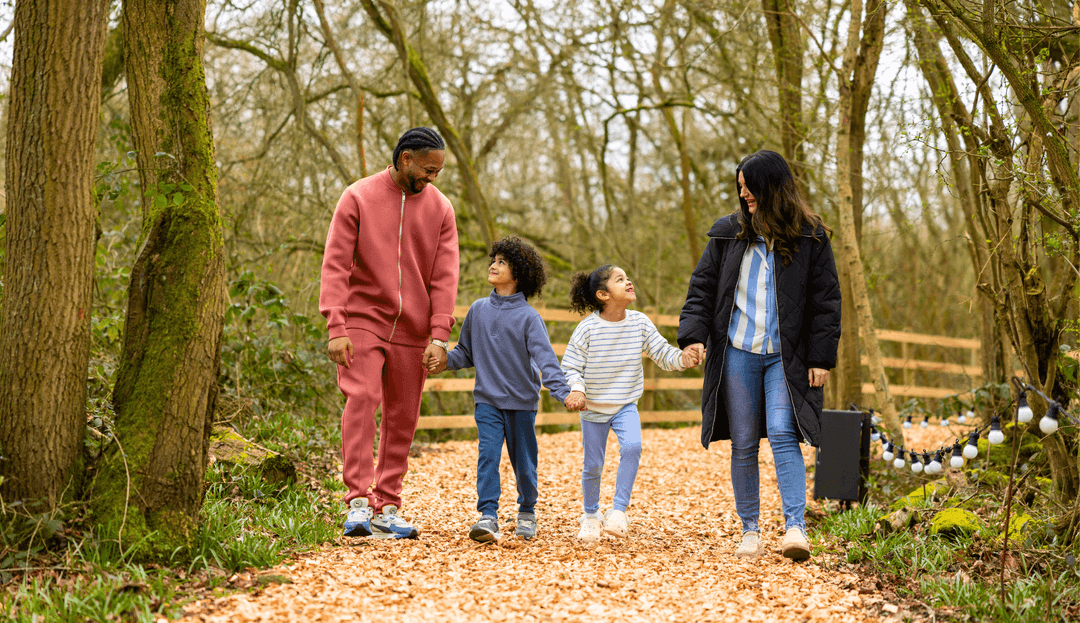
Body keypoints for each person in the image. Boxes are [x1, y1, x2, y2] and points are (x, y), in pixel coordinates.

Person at [678, 150, 841, 561]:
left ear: (772, 185)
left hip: (786, 357)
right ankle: (750, 530)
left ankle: (795, 529)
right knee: (745, 441)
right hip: (738, 352)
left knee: (786, 434)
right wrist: (692, 337)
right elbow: (701, 290)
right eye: (740, 187)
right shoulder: (727, 234)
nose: (744, 194)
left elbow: (827, 303)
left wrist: (821, 358)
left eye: (750, 186)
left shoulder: (812, 238)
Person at [320, 127, 459, 539]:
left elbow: (444, 277)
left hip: (414, 328)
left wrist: (438, 335)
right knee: (362, 397)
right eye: (429, 169)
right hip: (363, 318)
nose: (433, 178)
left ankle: (388, 506)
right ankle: (357, 502)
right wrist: (336, 324)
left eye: (438, 171)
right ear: (406, 159)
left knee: (403, 415)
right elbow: (335, 264)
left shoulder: (441, 209)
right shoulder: (358, 196)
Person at [430, 237, 574, 542]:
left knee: (524, 462)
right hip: (487, 400)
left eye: (502, 262)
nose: (493, 265)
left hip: (522, 402)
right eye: (493, 260)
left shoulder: (529, 318)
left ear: (518, 273)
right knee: (488, 455)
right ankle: (488, 516)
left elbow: (546, 361)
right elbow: (465, 353)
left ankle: (527, 510)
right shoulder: (478, 310)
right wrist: (443, 361)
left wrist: (564, 393)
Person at [561, 265, 700, 542]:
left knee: (633, 447)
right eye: (619, 279)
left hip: (625, 404)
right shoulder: (587, 328)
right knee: (592, 465)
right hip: (593, 409)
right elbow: (571, 366)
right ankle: (590, 515)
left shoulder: (639, 323)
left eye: (627, 277)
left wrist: (682, 358)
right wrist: (577, 390)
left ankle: (618, 512)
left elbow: (661, 353)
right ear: (603, 294)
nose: (629, 281)